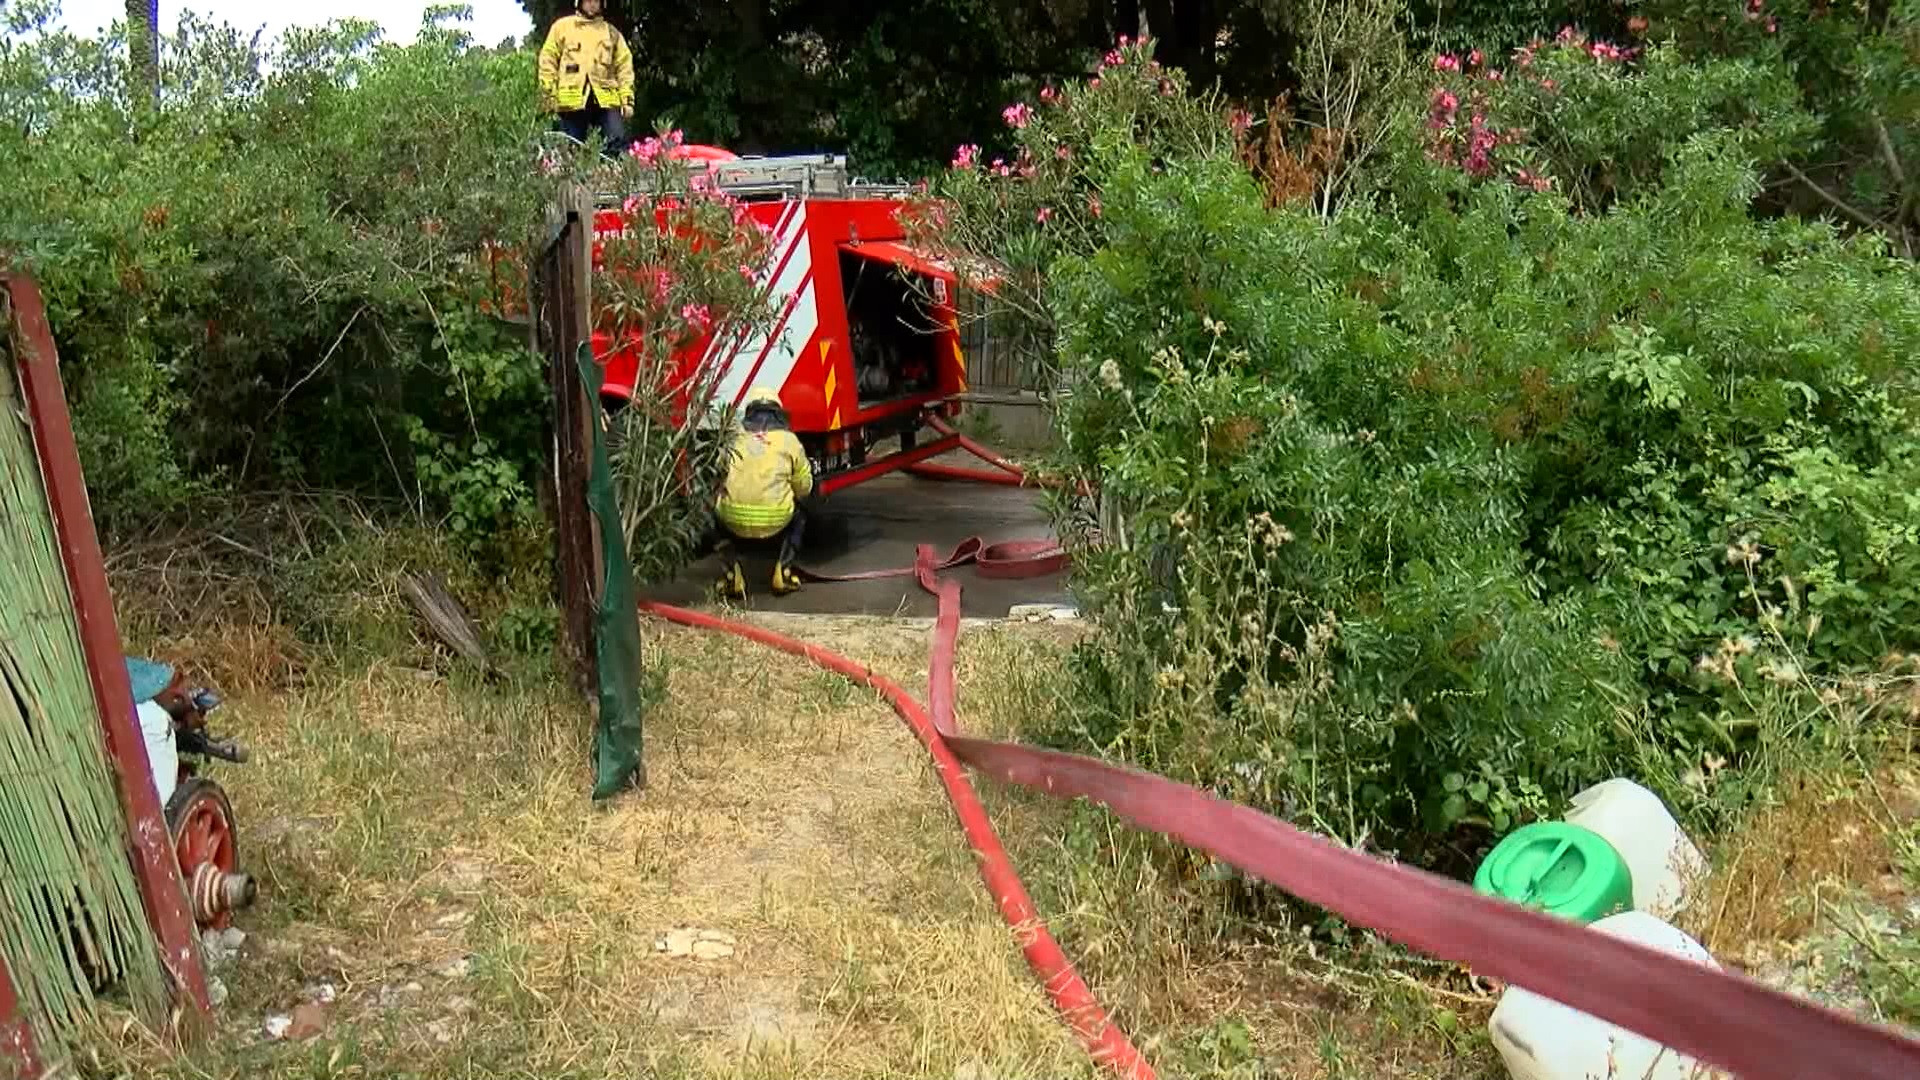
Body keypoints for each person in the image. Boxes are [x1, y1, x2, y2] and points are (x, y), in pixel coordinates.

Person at [713, 387, 814, 599]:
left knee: (713, 511)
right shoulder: (790, 441)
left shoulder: (733, 437)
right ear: (778, 412)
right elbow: (804, 487)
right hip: (776, 519)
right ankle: (784, 572)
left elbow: (718, 477)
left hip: (733, 519)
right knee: (801, 513)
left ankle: (732, 576)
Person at [537, 0, 636, 156]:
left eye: (596, 1)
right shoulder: (562, 28)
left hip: (605, 98)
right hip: (571, 100)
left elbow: (625, 67)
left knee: (617, 143)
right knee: (569, 150)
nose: (592, 4)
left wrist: (627, 99)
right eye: (588, 0)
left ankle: (615, 176)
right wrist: (548, 94)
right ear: (579, 2)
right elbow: (547, 61)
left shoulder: (611, 33)